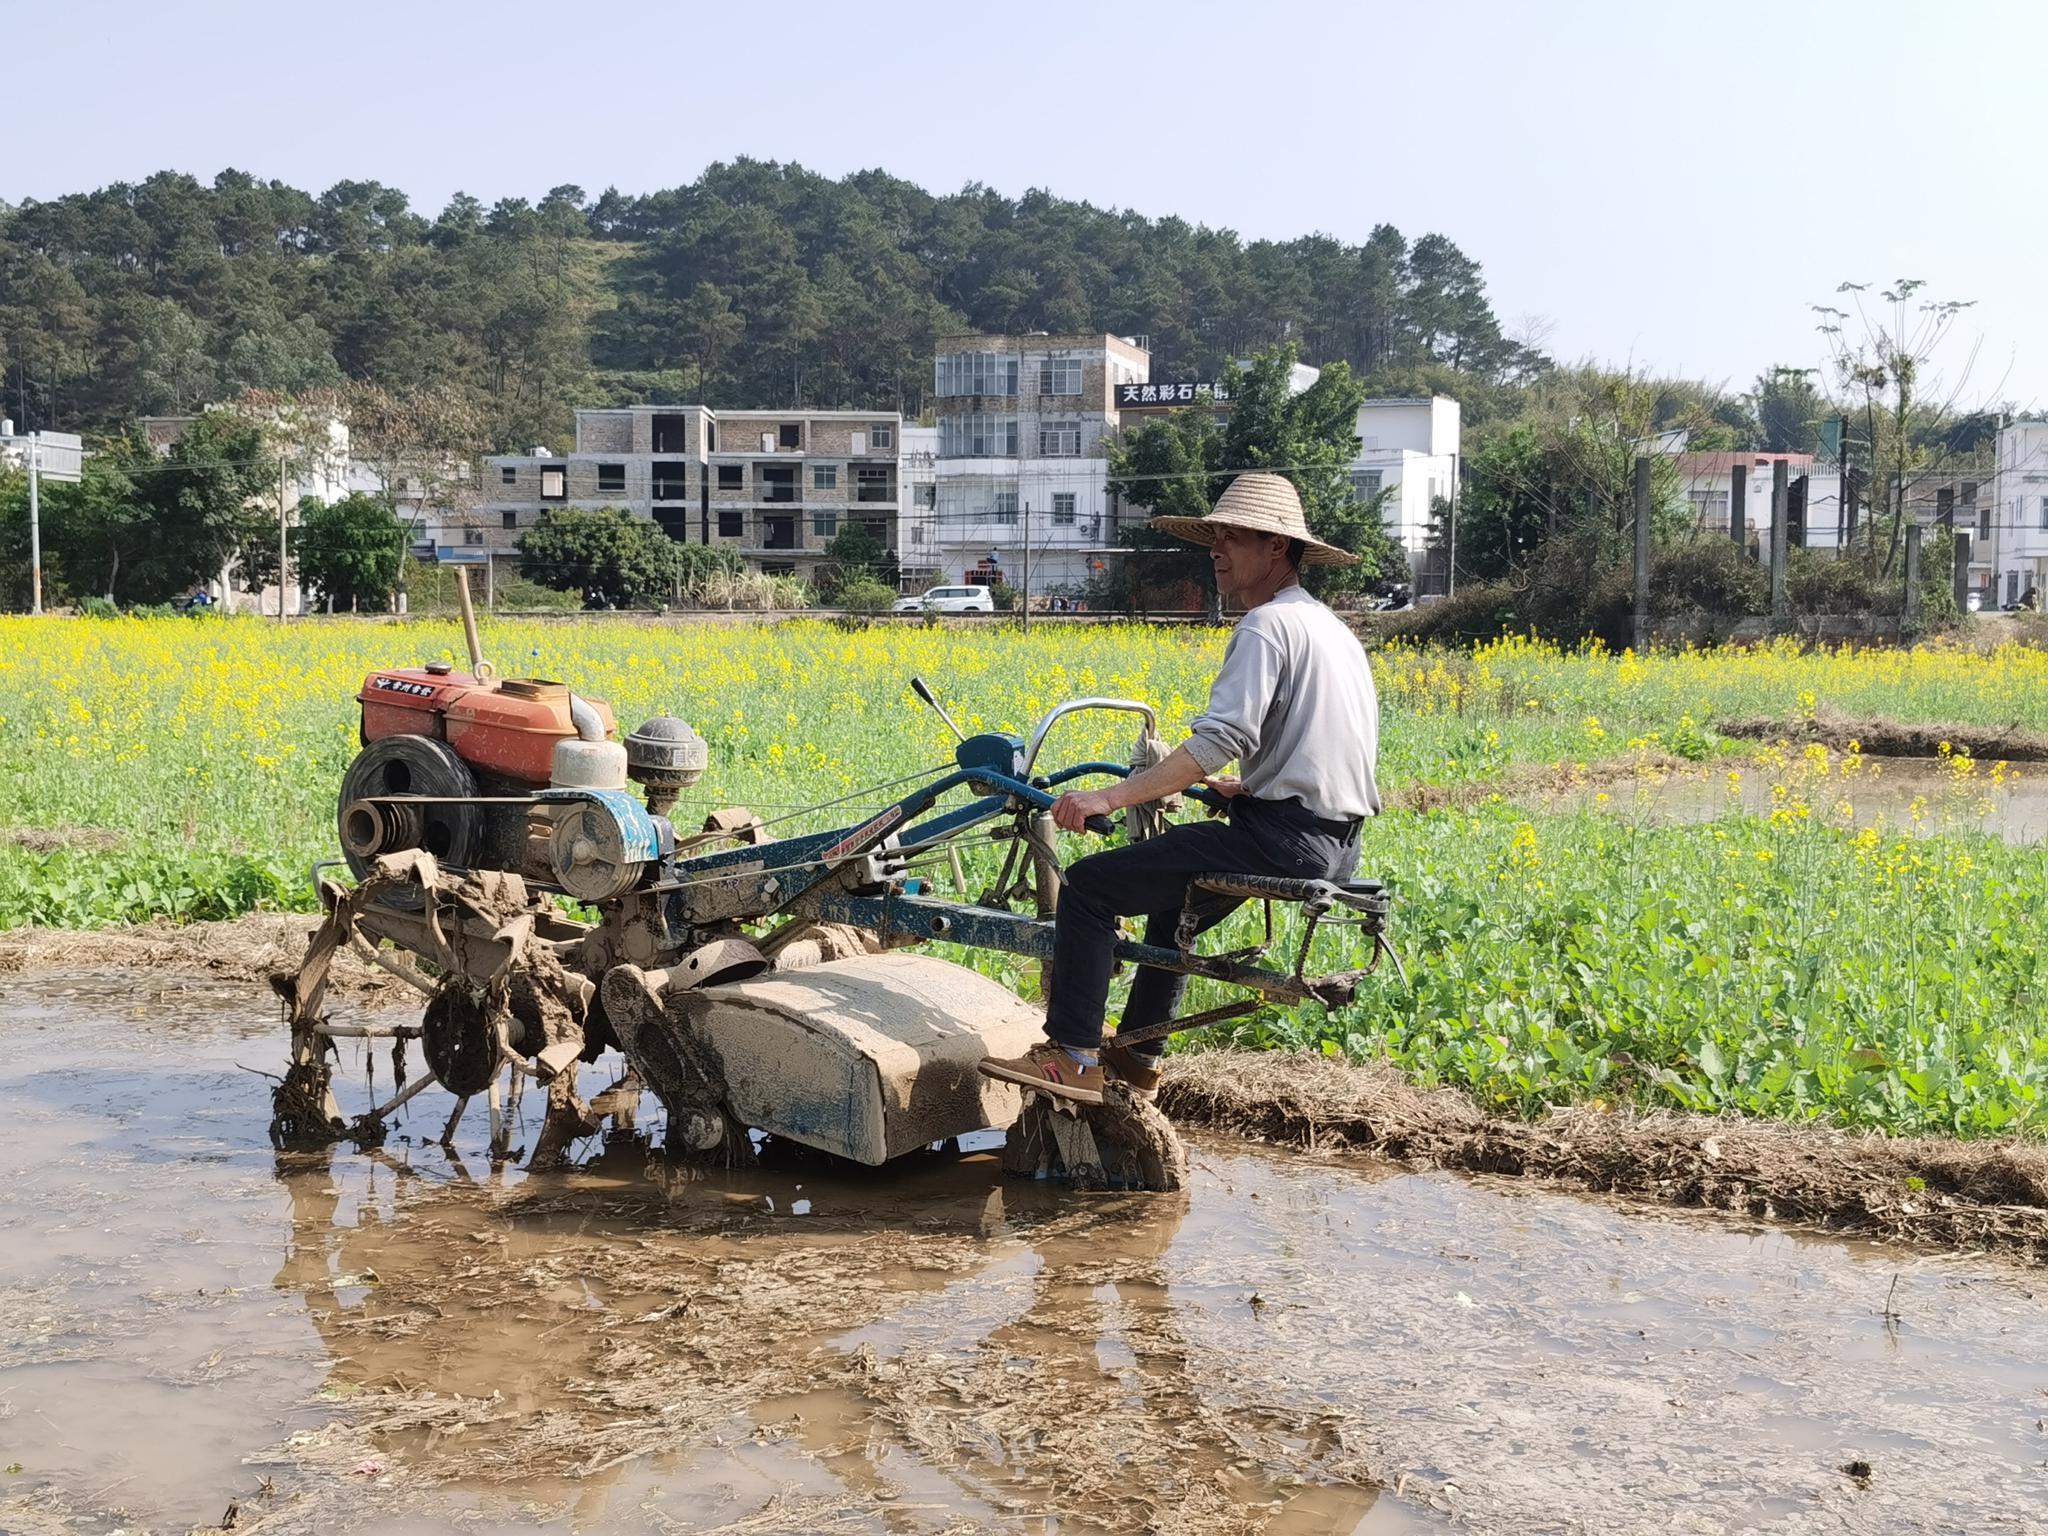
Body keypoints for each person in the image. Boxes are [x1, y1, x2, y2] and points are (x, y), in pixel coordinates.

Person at [979, 473, 1381, 1106]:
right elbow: (1323, 742)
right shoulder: (1332, 631)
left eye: (1232, 538)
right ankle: (1138, 1059)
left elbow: (1219, 739)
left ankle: (1072, 1057)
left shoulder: (1265, 626)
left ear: (1277, 546)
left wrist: (1110, 797)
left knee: (1088, 889)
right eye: (1213, 538)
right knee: (1174, 905)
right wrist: (1254, 786)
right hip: (1336, 844)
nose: (1215, 550)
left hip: (1281, 840)